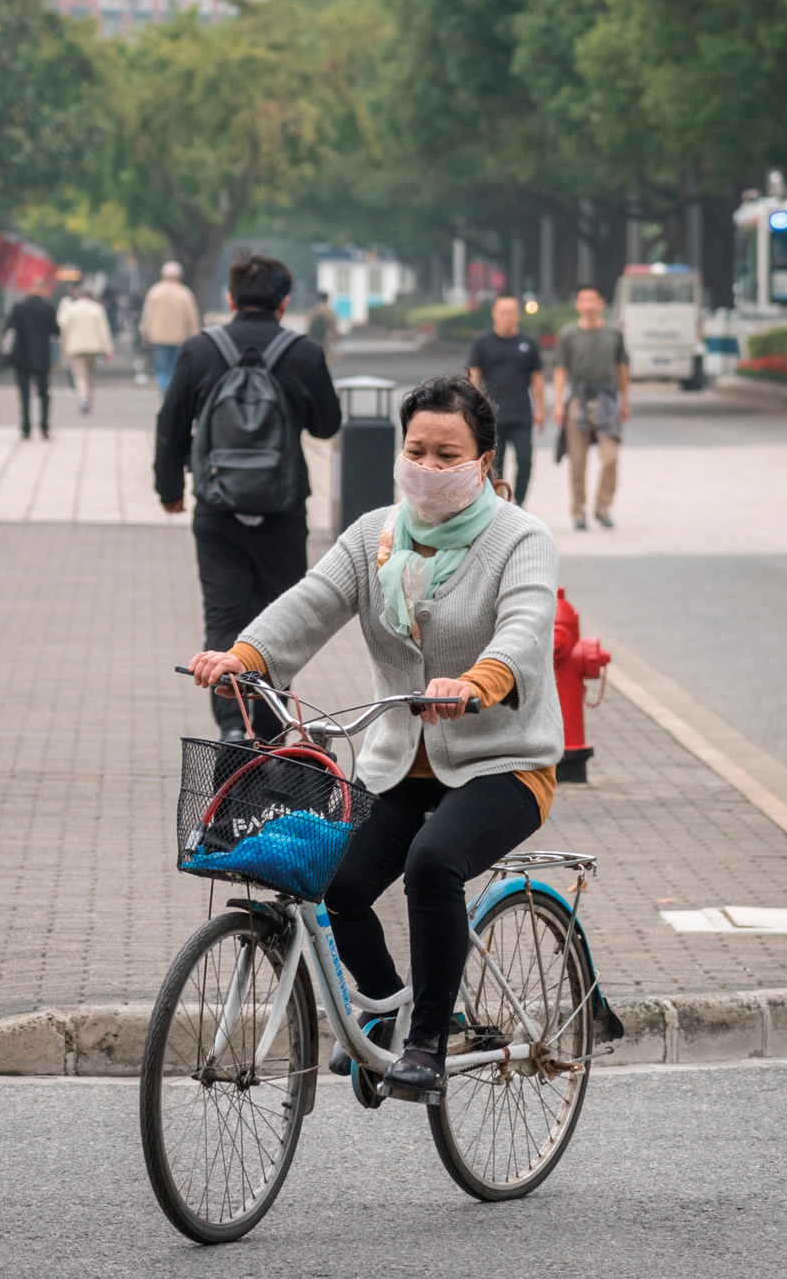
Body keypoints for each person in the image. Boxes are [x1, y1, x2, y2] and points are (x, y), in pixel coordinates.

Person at [186, 372, 560, 1098]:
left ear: (484, 461)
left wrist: (475, 683)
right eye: (415, 449)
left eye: (447, 454)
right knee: (336, 879)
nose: (428, 466)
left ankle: (426, 1042)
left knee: (431, 863)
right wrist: (244, 655)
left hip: (503, 762)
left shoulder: (521, 540)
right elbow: (311, 603)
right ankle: (383, 1007)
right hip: (396, 763)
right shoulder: (373, 537)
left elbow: (524, 627)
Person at [156, 252, 341, 740]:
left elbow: (171, 424)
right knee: (280, 617)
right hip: (283, 512)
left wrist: (170, 489)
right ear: (284, 302)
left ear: (231, 299)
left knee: (224, 614)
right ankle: (269, 725)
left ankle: (232, 726)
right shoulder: (302, 352)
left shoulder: (200, 350)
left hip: (218, 509)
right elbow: (327, 425)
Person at [552, 283, 629, 531]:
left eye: (592, 300)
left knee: (611, 457)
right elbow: (560, 369)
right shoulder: (568, 334)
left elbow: (622, 368)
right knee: (578, 461)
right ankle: (579, 511)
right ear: (577, 304)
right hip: (578, 399)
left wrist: (625, 399)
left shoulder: (614, 334)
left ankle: (603, 506)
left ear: (601, 303)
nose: (588, 305)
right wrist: (558, 403)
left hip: (607, 399)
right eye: (582, 300)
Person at [466, 294, 544, 507]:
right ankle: (498, 503)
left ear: (518, 314)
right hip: (492, 415)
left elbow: (537, 377)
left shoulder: (527, 344)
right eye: (503, 313)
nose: (508, 317)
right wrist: (473, 406)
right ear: (494, 314)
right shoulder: (482, 342)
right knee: (495, 464)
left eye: (512, 313)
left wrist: (541, 409)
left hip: (521, 413)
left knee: (525, 459)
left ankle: (519, 501)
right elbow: (474, 375)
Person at [5, 274, 59, 440]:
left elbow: (9, 328)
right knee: (43, 393)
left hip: (21, 357)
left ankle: (26, 426)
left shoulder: (19, 307)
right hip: (41, 357)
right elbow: (56, 331)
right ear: (44, 290)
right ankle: (44, 426)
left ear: (30, 289)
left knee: (24, 393)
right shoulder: (48, 308)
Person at [140, 260, 201, 396]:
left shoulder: (155, 292)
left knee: (162, 368)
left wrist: (146, 333)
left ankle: (165, 392)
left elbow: (147, 316)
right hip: (180, 337)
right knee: (176, 368)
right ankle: (172, 393)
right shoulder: (185, 293)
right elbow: (192, 318)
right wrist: (195, 337)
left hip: (158, 337)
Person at [57, 283, 115, 414]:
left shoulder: (71, 309)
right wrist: (108, 349)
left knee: (79, 375)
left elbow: (65, 329)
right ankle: (88, 397)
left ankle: (83, 398)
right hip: (93, 347)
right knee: (89, 374)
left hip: (75, 346)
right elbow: (103, 331)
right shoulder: (97, 309)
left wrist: (64, 346)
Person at [307, 290, 339, 364]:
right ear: (327, 299)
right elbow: (333, 327)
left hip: (314, 337)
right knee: (326, 357)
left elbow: (309, 325)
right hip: (326, 338)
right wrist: (336, 339)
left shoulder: (313, 310)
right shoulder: (329, 312)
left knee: (315, 357)